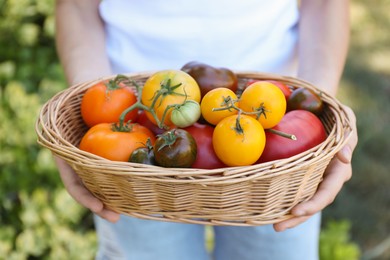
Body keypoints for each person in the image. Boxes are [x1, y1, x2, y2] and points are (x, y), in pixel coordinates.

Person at [54, 0, 358, 259]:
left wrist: (323, 108)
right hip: (133, 151)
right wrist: (85, 116)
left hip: (277, 153)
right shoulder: (127, 137)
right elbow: (77, 5)